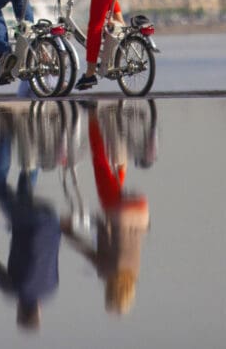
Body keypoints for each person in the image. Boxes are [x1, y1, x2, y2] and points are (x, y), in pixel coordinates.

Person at [0, 112, 61, 330]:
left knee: (24, 195)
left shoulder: (51, 289)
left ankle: (32, 140)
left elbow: (43, 254)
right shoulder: (12, 290)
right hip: (28, 222)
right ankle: (6, 132)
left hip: (51, 220)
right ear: (19, 309)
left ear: (39, 310)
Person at [61, 102, 150, 315]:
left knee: (113, 188)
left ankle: (120, 156)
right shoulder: (106, 271)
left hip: (141, 211)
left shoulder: (134, 270)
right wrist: (66, 231)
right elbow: (84, 249)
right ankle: (93, 115)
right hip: (117, 212)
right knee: (100, 164)